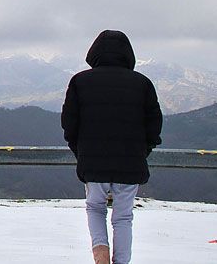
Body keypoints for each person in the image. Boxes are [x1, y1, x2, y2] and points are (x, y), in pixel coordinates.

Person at [61, 29, 163, 264]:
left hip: (93, 161)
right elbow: (154, 125)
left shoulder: (79, 81)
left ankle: (101, 257)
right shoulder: (143, 84)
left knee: (95, 208)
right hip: (131, 162)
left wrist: (81, 152)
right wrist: (142, 152)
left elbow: (69, 124)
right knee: (123, 217)